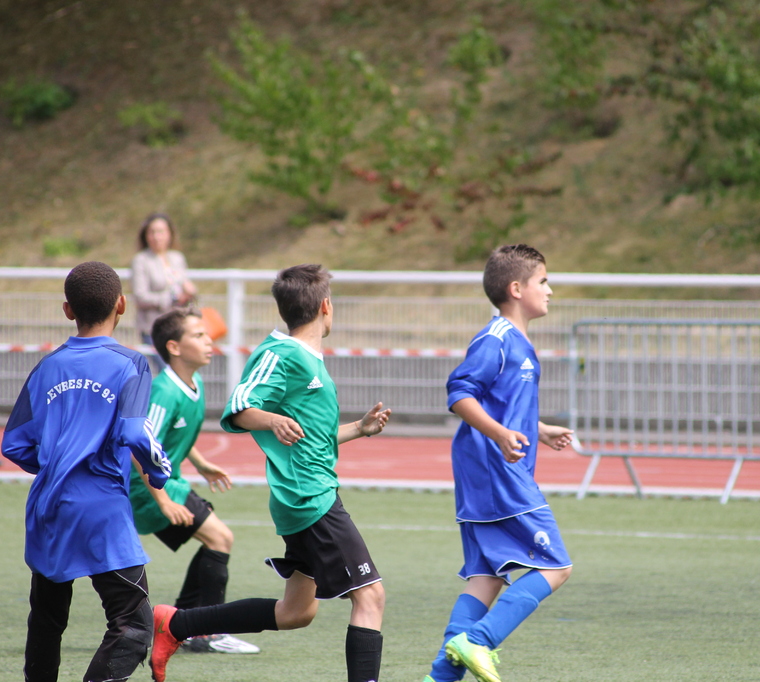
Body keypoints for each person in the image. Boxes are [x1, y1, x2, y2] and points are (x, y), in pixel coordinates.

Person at [148, 264, 393, 682]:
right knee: (371, 596)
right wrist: (271, 419)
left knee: (296, 612)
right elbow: (239, 407)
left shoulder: (307, 358)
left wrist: (358, 428)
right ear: (326, 307)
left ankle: (177, 624)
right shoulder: (281, 353)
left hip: (308, 494)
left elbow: (310, 437)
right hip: (309, 497)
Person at [1, 261, 173, 682]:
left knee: (47, 619)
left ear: (68, 310)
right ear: (122, 305)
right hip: (100, 506)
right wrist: (159, 471)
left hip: (48, 505)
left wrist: (57, 464)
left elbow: (14, 444)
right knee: (133, 626)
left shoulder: (47, 367)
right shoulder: (131, 363)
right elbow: (135, 432)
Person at [423, 244, 574, 682]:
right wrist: (500, 435)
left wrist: (537, 429)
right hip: (496, 473)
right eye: (543, 281)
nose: (550, 290)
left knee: (486, 577)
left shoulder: (517, 341)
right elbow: (460, 392)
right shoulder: (497, 339)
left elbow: (500, 403)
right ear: (516, 288)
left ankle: (440, 678)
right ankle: (479, 640)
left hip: (487, 472)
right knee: (555, 566)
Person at [128, 307, 259, 655]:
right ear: (174, 347)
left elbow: (169, 435)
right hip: (147, 488)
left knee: (215, 540)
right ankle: (206, 632)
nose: (209, 341)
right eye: (198, 336)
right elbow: (139, 446)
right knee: (220, 537)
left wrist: (200, 463)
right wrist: (163, 501)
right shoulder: (164, 391)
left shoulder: (193, 383)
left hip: (167, 482)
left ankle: (180, 624)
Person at [130, 213, 196, 368]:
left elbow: (184, 285)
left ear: (169, 234)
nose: (156, 237)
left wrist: (189, 292)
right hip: (153, 327)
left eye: (160, 232)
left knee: (183, 370)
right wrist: (170, 298)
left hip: (178, 326)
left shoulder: (177, 258)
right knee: (167, 371)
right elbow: (140, 296)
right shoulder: (141, 260)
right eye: (152, 232)